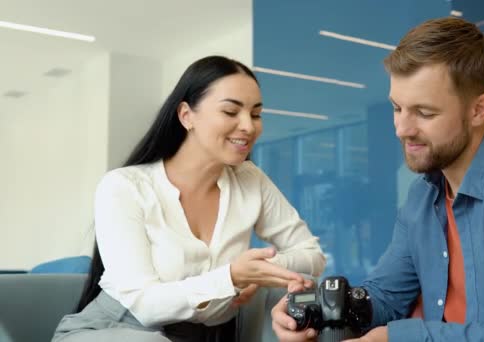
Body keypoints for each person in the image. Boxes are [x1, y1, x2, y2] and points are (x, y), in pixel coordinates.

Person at [271, 17, 484, 341]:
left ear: (478, 109)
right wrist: (324, 311)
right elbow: (388, 294)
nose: (402, 129)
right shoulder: (423, 196)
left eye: (424, 112)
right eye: (397, 108)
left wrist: (402, 339)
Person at [52, 56, 325, 342]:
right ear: (186, 116)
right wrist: (231, 277)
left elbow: (312, 256)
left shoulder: (250, 180)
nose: (248, 126)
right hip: (120, 331)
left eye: (256, 114)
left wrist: (255, 273)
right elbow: (146, 306)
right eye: (231, 111)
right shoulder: (124, 186)